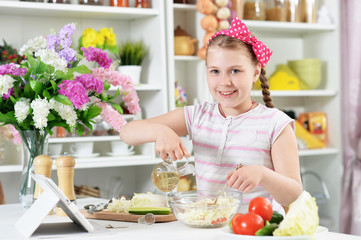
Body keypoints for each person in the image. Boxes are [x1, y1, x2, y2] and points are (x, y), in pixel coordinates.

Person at [120, 18, 302, 212]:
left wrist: (263, 174)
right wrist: (160, 131)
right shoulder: (198, 116)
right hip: (209, 226)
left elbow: (293, 194)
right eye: (215, 71)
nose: (224, 82)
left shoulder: (275, 123)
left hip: (255, 229)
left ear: (255, 72)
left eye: (235, 71)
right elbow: (126, 132)